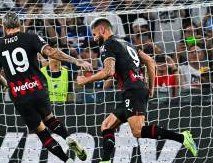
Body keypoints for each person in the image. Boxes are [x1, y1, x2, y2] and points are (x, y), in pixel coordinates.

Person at [76, 17, 198, 163]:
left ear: (102, 29)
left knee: (138, 131)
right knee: (106, 125)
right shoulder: (127, 44)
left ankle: (183, 137)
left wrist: (85, 80)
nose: (95, 38)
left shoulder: (108, 45)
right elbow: (150, 61)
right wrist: (151, 87)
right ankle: (105, 160)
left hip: (132, 90)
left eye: (95, 34)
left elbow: (108, 71)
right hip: (135, 89)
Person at [0, 12, 92, 163]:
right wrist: (75, 61)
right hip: (37, 89)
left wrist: (8, 86)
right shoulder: (30, 37)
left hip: (20, 96)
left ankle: (67, 160)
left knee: (42, 133)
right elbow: (51, 52)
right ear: (19, 24)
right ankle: (68, 137)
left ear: (5, 27)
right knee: (50, 119)